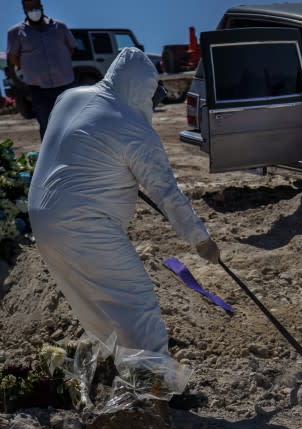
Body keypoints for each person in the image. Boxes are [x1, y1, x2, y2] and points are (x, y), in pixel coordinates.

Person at [28, 48, 219, 355]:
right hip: (84, 224)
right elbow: (167, 192)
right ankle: (154, 390)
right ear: (142, 89)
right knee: (136, 302)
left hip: (41, 220)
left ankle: (121, 373)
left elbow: (80, 148)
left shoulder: (69, 98)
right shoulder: (133, 126)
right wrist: (201, 240)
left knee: (98, 309)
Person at [6, 0, 75, 139]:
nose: (34, 10)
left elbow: (71, 48)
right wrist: (29, 69)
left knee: (71, 123)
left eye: (36, 6)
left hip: (65, 84)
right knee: (46, 125)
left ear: (41, 6)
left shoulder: (60, 27)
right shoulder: (15, 33)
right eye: (30, 7)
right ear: (24, 9)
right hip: (38, 88)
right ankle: (50, 159)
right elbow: (13, 57)